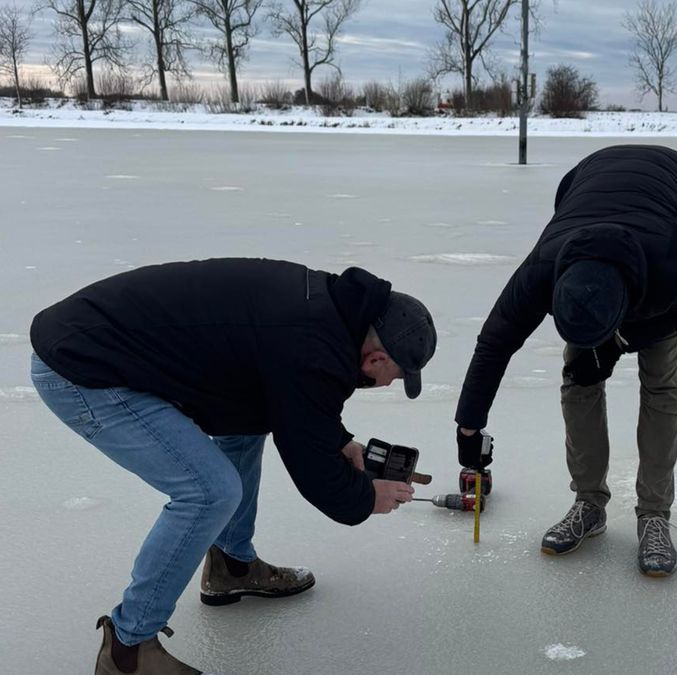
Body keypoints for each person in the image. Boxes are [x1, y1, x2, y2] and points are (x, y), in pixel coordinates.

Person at [30, 258, 437, 674]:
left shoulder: (329, 312)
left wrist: (336, 441)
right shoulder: (314, 346)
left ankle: (232, 566)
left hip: (99, 338)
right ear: (375, 359)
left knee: (245, 424)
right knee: (209, 491)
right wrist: (367, 497)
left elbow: (292, 401)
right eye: (396, 375)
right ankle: (129, 649)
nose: (388, 384)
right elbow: (315, 475)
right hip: (81, 369)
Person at [454, 145, 677, 577]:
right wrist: (469, 425)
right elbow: (494, 344)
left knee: (661, 380)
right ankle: (589, 504)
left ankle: (654, 515)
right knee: (580, 376)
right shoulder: (542, 268)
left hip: (675, 203)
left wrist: (622, 340)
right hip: (586, 190)